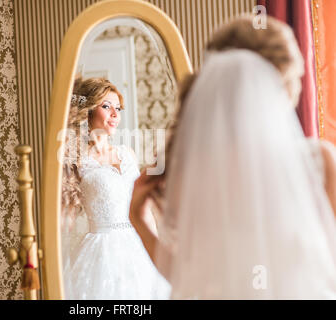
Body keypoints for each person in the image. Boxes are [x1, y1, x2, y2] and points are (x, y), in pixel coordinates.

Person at [129, 16, 336, 299]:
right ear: (285, 82)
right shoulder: (319, 163)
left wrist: (138, 220)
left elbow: (190, 278)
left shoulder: (196, 170)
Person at [61, 77, 170, 299]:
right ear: (88, 111)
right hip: (101, 254)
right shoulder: (76, 159)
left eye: (118, 108)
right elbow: (65, 219)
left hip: (138, 247)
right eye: (106, 106)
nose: (115, 114)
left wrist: (157, 248)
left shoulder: (127, 154)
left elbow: (143, 209)